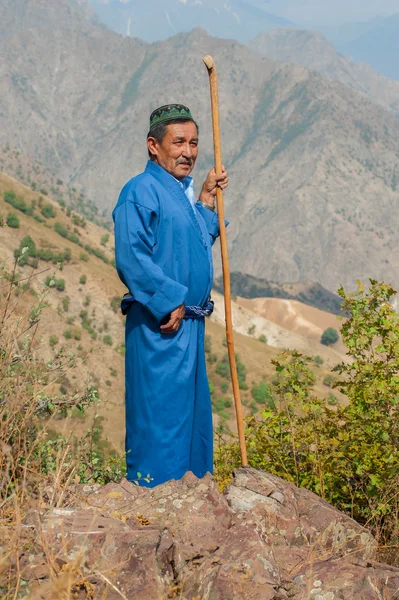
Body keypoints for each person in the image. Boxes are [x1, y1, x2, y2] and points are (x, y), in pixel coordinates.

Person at [113, 104, 228, 487]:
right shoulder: (140, 191)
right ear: (153, 145)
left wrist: (208, 200)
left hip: (189, 326)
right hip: (160, 326)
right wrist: (168, 299)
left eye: (194, 143)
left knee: (191, 417)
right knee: (160, 416)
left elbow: (193, 242)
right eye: (178, 142)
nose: (189, 152)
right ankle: (154, 500)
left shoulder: (180, 194)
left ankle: (191, 502)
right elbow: (132, 255)